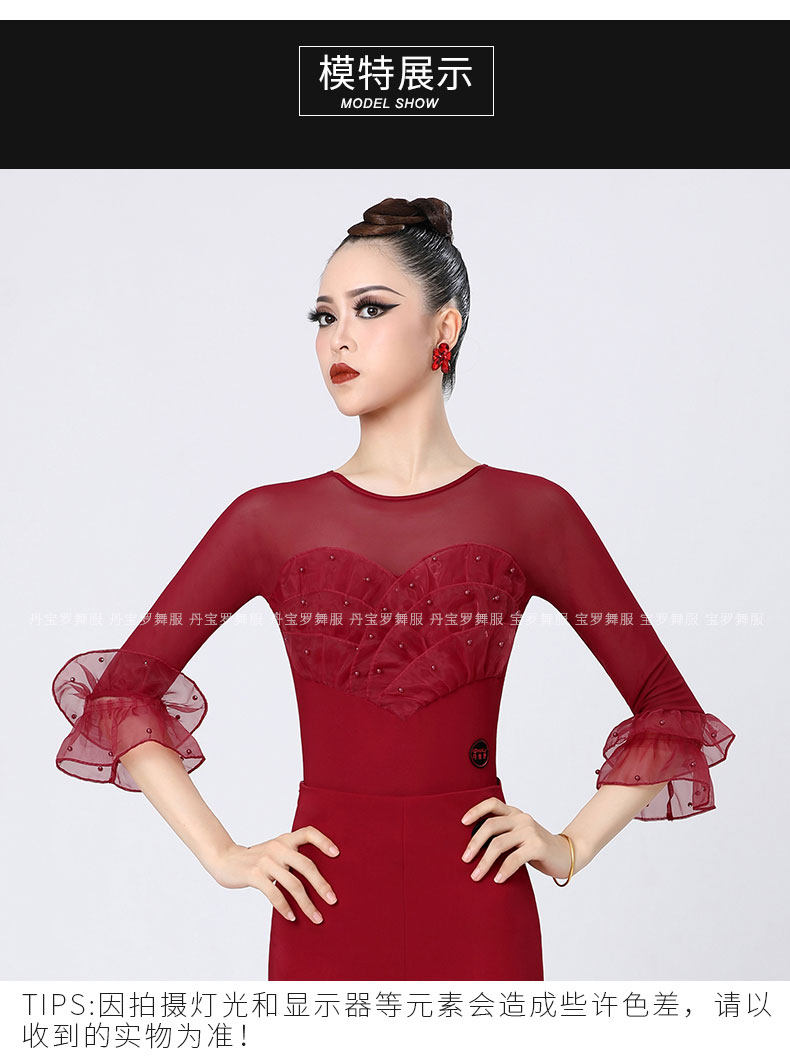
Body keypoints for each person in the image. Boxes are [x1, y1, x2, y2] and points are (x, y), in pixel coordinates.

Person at [52, 196, 735, 981]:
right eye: (324, 316)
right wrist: (223, 853)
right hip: (322, 904)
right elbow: (121, 693)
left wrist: (570, 844)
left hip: (479, 908)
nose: (338, 337)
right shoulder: (267, 520)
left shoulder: (532, 512)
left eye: (371, 308)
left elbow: (668, 706)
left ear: (445, 326)